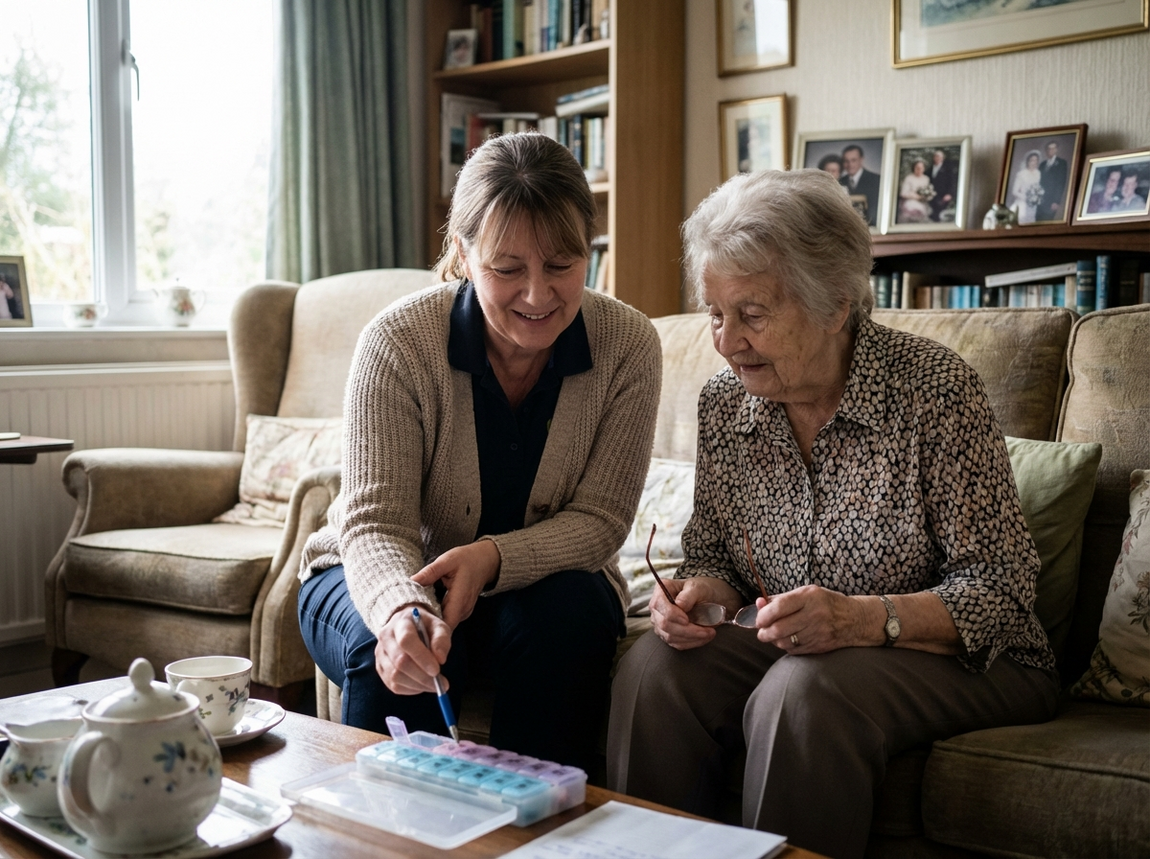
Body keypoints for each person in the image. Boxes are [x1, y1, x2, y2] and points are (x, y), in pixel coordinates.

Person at [606, 169, 1059, 859]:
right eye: (714, 313)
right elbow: (715, 556)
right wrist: (700, 593)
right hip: (796, 650)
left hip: (975, 660)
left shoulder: (934, 393)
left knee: (805, 692)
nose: (726, 342)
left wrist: (860, 618)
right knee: (654, 670)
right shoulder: (727, 405)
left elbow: (1002, 593)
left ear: (835, 307)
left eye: (752, 314)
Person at [297, 132, 662, 772]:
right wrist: (401, 609)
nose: (537, 295)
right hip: (382, 570)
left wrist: (492, 558)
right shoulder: (397, 342)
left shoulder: (628, 345)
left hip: (545, 584)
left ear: (590, 253)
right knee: (402, 654)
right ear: (463, 254)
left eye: (561, 265)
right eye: (507, 268)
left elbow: (601, 522)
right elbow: (376, 524)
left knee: (565, 626)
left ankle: (545, 836)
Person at [839, 144, 881, 226]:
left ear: (861, 160)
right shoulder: (839, 182)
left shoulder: (876, 180)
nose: (850, 165)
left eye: (853, 160)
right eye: (846, 161)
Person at [1036, 141, 1069, 222]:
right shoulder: (1042, 164)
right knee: (1037, 221)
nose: (1051, 150)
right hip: (1040, 200)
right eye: (1049, 149)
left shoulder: (1062, 163)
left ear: (1056, 150)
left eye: (1053, 148)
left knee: (1047, 221)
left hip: (1051, 201)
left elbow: (1061, 183)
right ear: (1046, 150)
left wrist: (1056, 201)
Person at [1009, 150, 1043, 224]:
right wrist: (1028, 198)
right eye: (1032, 160)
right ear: (1028, 161)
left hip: (1033, 205)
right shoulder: (1021, 174)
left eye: (1036, 160)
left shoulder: (1038, 173)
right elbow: (1014, 191)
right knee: (1021, 222)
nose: (1034, 162)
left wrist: (1035, 198)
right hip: (1022, 203)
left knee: (1030, 223)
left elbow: (1037, 188)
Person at [897, 158, 933, 223]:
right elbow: (903, 193)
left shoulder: (926, 179)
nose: (919, 169)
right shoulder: (909, 178)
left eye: (921, 168)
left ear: (924, 169)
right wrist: (916, 196)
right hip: (910, 200)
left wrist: (925, 196)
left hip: (922, 202)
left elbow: (928, 191)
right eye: (917, 167)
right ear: (914, 168)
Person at [927, 148, 958, 221]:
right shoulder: (929, 170)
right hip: (931, 196)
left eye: (939, 157)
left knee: (939, 214)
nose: (937, 158)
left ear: (942, 158)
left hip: (943, 195)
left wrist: (949, 194)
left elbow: (952, 182)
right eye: (936, 156)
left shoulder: (948, 169)